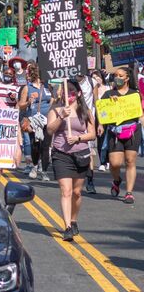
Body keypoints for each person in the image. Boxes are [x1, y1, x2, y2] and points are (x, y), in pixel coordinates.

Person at [47, 80, 96, 241]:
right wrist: (61, 116)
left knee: (76, 192)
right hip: (61, 154)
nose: (69, 96)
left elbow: (92, 134)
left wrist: (78, 138)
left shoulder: (85, 111)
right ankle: (67, 226)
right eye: (66, 92)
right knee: (66, 191)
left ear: (79, 94)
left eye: (72, 92)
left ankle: (74, 220)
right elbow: (49, 130)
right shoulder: (56, 110)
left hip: (80, 154)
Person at [98, 67, 143, 204]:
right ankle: (117, 180)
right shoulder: (108, 94)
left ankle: (129, 193)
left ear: (127, 78)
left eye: (120, 75)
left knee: (130, 161)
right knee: (115, 163)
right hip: (114, 132)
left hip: (132, 130)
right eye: (116, 75)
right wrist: (101, 125)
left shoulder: (134, 94)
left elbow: (140, 113)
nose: (117, 77)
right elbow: (102, 112)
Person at [18, 63, 53, 181]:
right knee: (35, 145)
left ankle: (44, 171)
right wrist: (28, 102)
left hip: (47, 120)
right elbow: (20, 106)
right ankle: (34, 166)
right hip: (34, 121)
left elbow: (52, 101)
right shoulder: (27, 88)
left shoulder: (48, 87)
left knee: (46, 146)